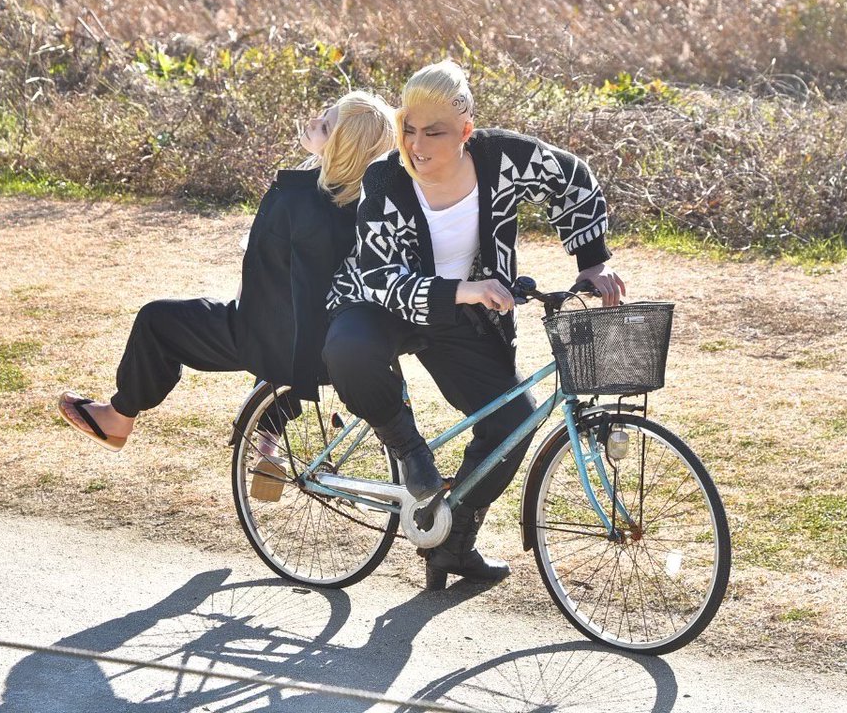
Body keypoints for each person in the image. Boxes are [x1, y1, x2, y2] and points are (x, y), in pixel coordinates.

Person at [322, 60, 626, 590]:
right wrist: (462, 290)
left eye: (434, 132)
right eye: (408, 128)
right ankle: (409, 451)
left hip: (460, 317)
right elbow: (378, 275)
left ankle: (453, 543)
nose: (417, 145)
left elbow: (572, 179)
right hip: (380, 307)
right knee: (347, 348)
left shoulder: (501, 158)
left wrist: (592, 262)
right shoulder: (386, 179)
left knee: (514, 419)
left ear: (466, 131)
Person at [58, 90, 397, 456]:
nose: (314, 122)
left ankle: (118, 418)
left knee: (157, 321)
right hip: (331, 339)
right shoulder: (368, 204)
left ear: (342, 149)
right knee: (284, 322)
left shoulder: (297, 199)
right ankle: (266, 444)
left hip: (279, 340)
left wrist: (244, 301)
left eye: (326, 126)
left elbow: (263, 276)